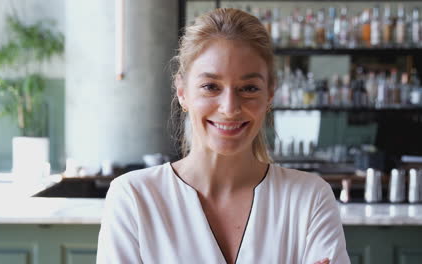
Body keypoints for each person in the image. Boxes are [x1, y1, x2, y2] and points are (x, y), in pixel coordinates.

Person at [97, 8, 350, 264]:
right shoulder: (133, 197)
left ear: (270, 94)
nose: (230, 108)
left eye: (249, 88)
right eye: (210, 87)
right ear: (182, 92)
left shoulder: (310, 197)